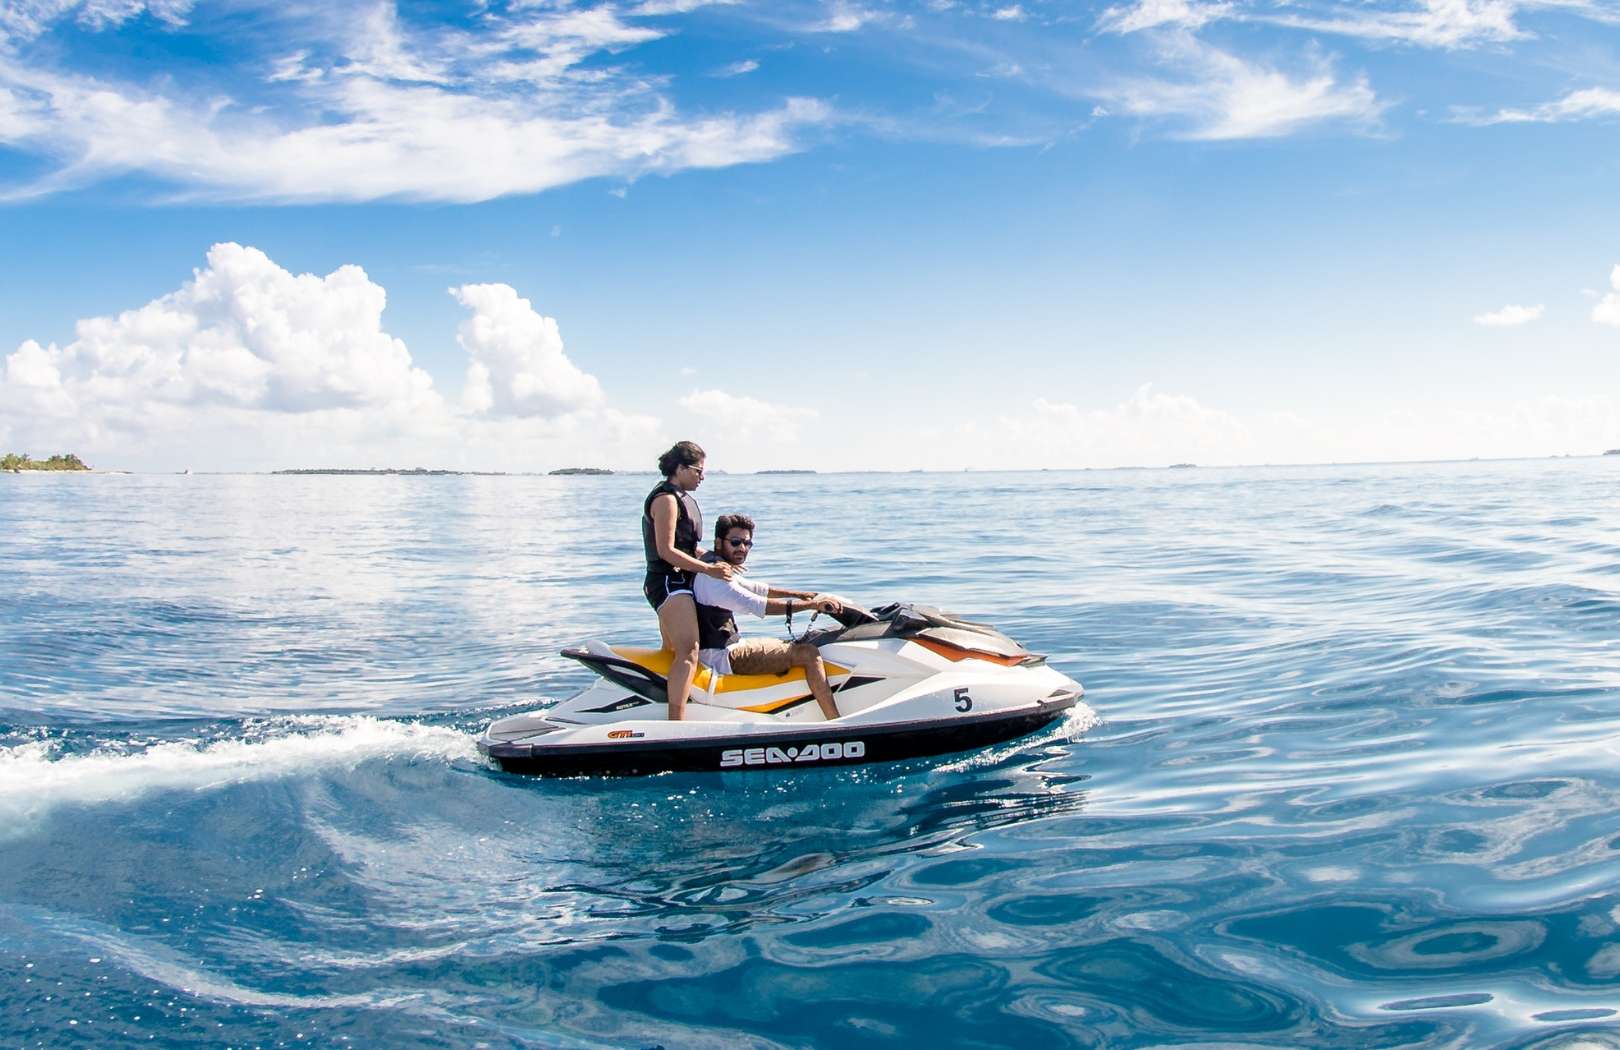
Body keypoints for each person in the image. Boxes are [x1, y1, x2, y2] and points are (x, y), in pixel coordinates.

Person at [692, 513, 846, 720]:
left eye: (747, 543)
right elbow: (758, 604)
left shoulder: (715, 565)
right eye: (736, 542)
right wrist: (812, 605)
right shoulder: (714, 578)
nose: (742, 548)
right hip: (721, 658)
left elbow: (755, 588)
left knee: (803, 641)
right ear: (719, 543)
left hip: (729, 647)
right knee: (809, 653)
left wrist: (799, 594)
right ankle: (835, 722)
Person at [643, 440, 732, 720]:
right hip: (668, 583)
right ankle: (676, 723)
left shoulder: (681, 499)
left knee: (673, 650)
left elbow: (688, 548)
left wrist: (717, 561)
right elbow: (666, 551)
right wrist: (707, 571)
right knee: (688, 650)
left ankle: (664, 704)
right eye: (698, 471)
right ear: (680, 468)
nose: (702, 477)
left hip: (679, 581)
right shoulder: (666, 500)